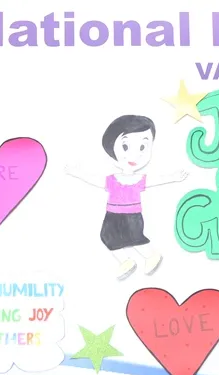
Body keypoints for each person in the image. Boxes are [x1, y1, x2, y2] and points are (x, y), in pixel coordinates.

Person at [65, 114, 188, 280]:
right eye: (125, 146)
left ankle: (151, 256)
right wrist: (77, 173)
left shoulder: (139, 179)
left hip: (132, 215)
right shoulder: (112, 180)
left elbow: (157, 180)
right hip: (112, 215)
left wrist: (173, 177)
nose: (134, 155)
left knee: (135, 238)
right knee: (107, 237)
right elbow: (94, 179)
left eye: (143, 147)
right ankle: (126, 261)